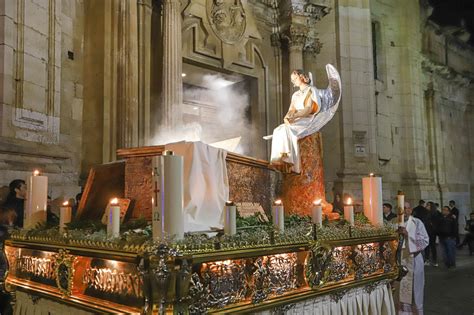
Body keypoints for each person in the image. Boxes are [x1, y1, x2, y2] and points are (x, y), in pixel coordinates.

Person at [268, 70, 321, 173]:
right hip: (296, 120)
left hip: (307, 120)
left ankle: (293, 163)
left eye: (295, 78)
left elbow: (308, 109)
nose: (293, 82)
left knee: (288, 130)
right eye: (292, 80)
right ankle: (282, 159)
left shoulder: (311, 90)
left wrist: (295, 116)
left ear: (302, 77)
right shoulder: (295, 95)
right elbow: (291, 109)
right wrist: (287, 117)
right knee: (278, 130)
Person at [397, 201, 429, 314]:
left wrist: (408, 236)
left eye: (406, 208)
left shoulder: (417, 223)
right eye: (401, 209)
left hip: (414, 260)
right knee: (400, 287)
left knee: (415, 288)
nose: (403, 211)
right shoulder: (393, 223)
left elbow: (425, 240)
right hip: (399, 261)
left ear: (410, 210)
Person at [423, 201, 441, 267]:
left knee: (433, 247)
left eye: (428, 205)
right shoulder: (425, 213)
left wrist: (433, 225)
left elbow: (438, 222)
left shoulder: (436, 213)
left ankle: (434, 261)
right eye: (426, 205)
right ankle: (427, 259)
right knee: (426, 246)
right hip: (426, 232)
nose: (426, 206)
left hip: (432, 232)